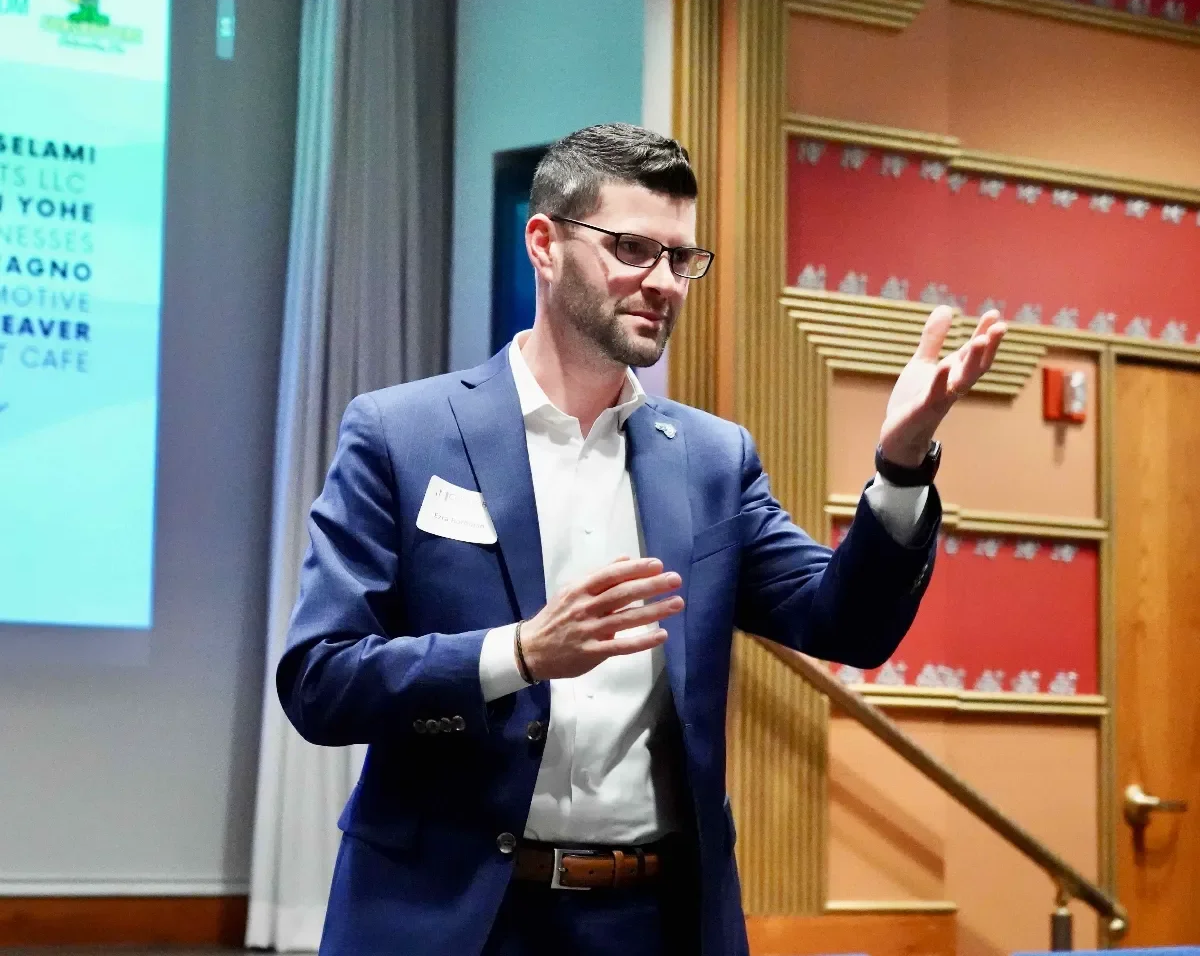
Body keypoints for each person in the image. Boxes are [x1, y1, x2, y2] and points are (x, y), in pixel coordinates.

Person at [277, 123, 1007, 956]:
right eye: (632, 249)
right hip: (450, 917)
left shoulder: (712, 460)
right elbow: (320, 680)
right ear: (544, 244)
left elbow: (848, 624)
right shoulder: (401, 435)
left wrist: (902, 465)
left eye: (681, 258)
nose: (662, 282)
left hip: (653, 922)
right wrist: (518, 653)